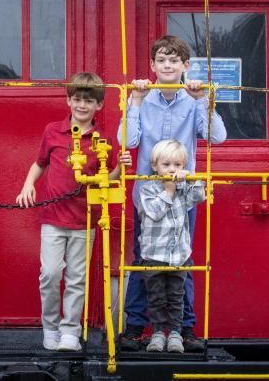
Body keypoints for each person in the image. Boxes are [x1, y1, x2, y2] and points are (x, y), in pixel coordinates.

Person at [117, 35, 227, 352]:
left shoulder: (192, 101)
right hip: (148, 197)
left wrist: (204, 99)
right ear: (152, 65)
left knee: (182, 262)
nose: (167, 65)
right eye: (161, 60)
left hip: (182, 197)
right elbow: (128, 139)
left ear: (185, 66)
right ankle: (136, 328)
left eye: (174, 60)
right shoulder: (142, 97)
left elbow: (216, 136)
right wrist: (135, 102)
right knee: (143, 261)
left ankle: (185, 330)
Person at [16, 72, 132, 352]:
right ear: (68, 100)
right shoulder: (52, 131)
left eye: (89, 101)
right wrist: (27, 185)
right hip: (53, 217)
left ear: (99, 106)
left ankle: (70, 330)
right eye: (77, 99)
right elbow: (39, 163)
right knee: (51, 273)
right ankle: (51, 327)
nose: (82, 105)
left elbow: (109, 177)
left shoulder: (102, 139)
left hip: (84, 219)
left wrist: (121, 165)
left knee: (77, 277)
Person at [137, 140, 205, 353]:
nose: (172, 169)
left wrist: (191, 180)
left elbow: (199, 197)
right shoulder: (146, 188)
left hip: (178, 255)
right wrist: (168, 190)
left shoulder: (183, 187)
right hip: (154, 254)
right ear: (155, 166)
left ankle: (175, 334)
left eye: (177, 165)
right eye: (166, 164)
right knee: (156, 296)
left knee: (177, 296)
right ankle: (157, 334)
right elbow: (154, 212)